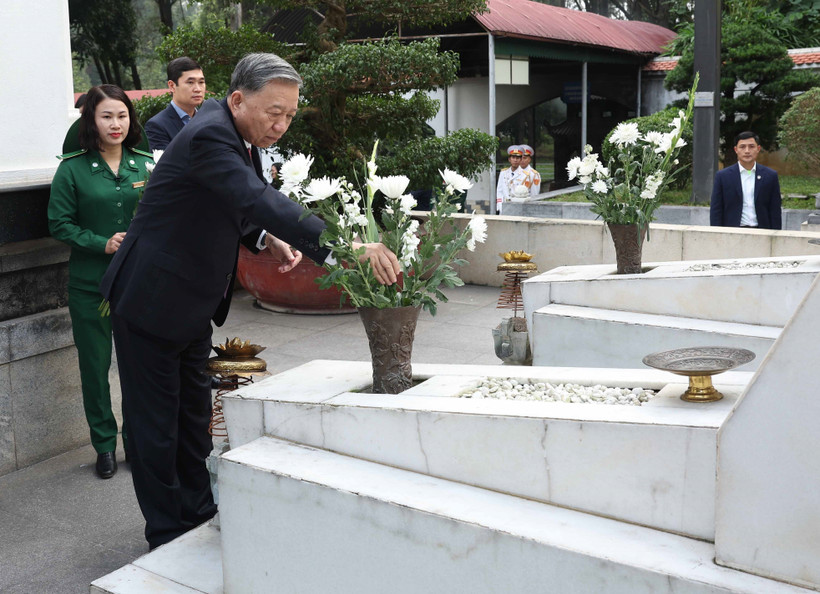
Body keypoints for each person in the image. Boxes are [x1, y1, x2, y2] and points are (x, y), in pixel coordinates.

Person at [100, 53, 401, 550]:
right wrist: (346, 246)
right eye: (274, 113)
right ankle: (168, 532)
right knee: (156, 427)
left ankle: (199, 512)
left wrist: (265, 238)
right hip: (151, 299)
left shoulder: (236, 132)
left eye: (290, 115)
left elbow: (233, 202)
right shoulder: (210, 134)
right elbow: (256, 197)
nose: (281, 125)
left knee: (193, 418)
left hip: (190, 301)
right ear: (238, 99)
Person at [48, 85, 154, 479]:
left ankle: (136, 442)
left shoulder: (145, 164)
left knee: (138, 367)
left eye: (122, 116)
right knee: (95, 368)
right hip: (90, 284)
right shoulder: (72, 167)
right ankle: (105, 446)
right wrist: (101, 243)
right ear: (91, 120)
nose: (116, 124)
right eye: (107, 116)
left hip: (137, 283)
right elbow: (59, 223)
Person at [710, 131, 782, 229]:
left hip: (762, 232)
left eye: (751, 146)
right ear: (736, 150)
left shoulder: (770, 176)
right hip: (732, 232)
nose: (747, 151)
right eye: (742, 147)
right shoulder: (723, 176)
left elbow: (775, 210)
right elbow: (716, 209)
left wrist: (776, 235)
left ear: (758, 149)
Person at [144, 57, 207, 150]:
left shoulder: (208, 119)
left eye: (201, 82)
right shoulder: (157, 126)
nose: (198, 89)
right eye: (190, 82)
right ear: (172, 86)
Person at [495, 145, 526, 214]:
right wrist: (499, 206)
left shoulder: (525, 175)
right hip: (504, 207)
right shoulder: (503, 173)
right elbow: (499, 191)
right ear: (509, 159)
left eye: (518, 158)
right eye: (513, 157)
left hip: (517, 207)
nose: (515, 160)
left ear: (521, 159)